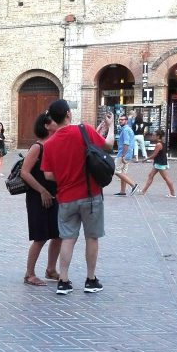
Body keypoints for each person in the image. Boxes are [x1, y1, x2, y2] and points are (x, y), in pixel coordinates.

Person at [40, 99, 114, 295]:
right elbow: (107, 145)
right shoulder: (84, 130)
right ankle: (91, 280)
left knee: (68, 238)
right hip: (91, 195)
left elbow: (47, 174)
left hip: (65, 197)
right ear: (68, 114)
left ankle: (63, 281)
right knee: (92, 237)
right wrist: (111, 126)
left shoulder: (50, 143)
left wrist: (65, 176)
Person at [20, 111, 61, 285]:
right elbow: (24, 172)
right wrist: (42, 190)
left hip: (55, 194)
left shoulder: (55, 144)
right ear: (46, 125)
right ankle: (29, 274)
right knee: (40, 236)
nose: (57, 123)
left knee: (58, 234)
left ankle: (51, 269)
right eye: (54, 121)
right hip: (38, 196)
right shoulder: (38, 147)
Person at [138, 129, 176, 197]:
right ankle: (143, 191)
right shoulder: (161, 143)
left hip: (160, 163)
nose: (152, 136)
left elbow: (154, 155)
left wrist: (146, 159)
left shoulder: (158, 144)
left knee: (166, 178)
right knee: (150, 176)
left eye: (154, 135)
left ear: (158, 136)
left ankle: (172, 193)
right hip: (159, 162)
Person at [113, 113, 138, 195]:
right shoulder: (127, 129)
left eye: (122, 119)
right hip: (128, 154)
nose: (120, 121)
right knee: (123, 173)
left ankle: (133, 185)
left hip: (123, 154)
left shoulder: (125, 130)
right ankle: (122, 191)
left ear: (126, 121)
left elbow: (126, 143)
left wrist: (123, 155)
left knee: (117, 171)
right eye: (119, 119)